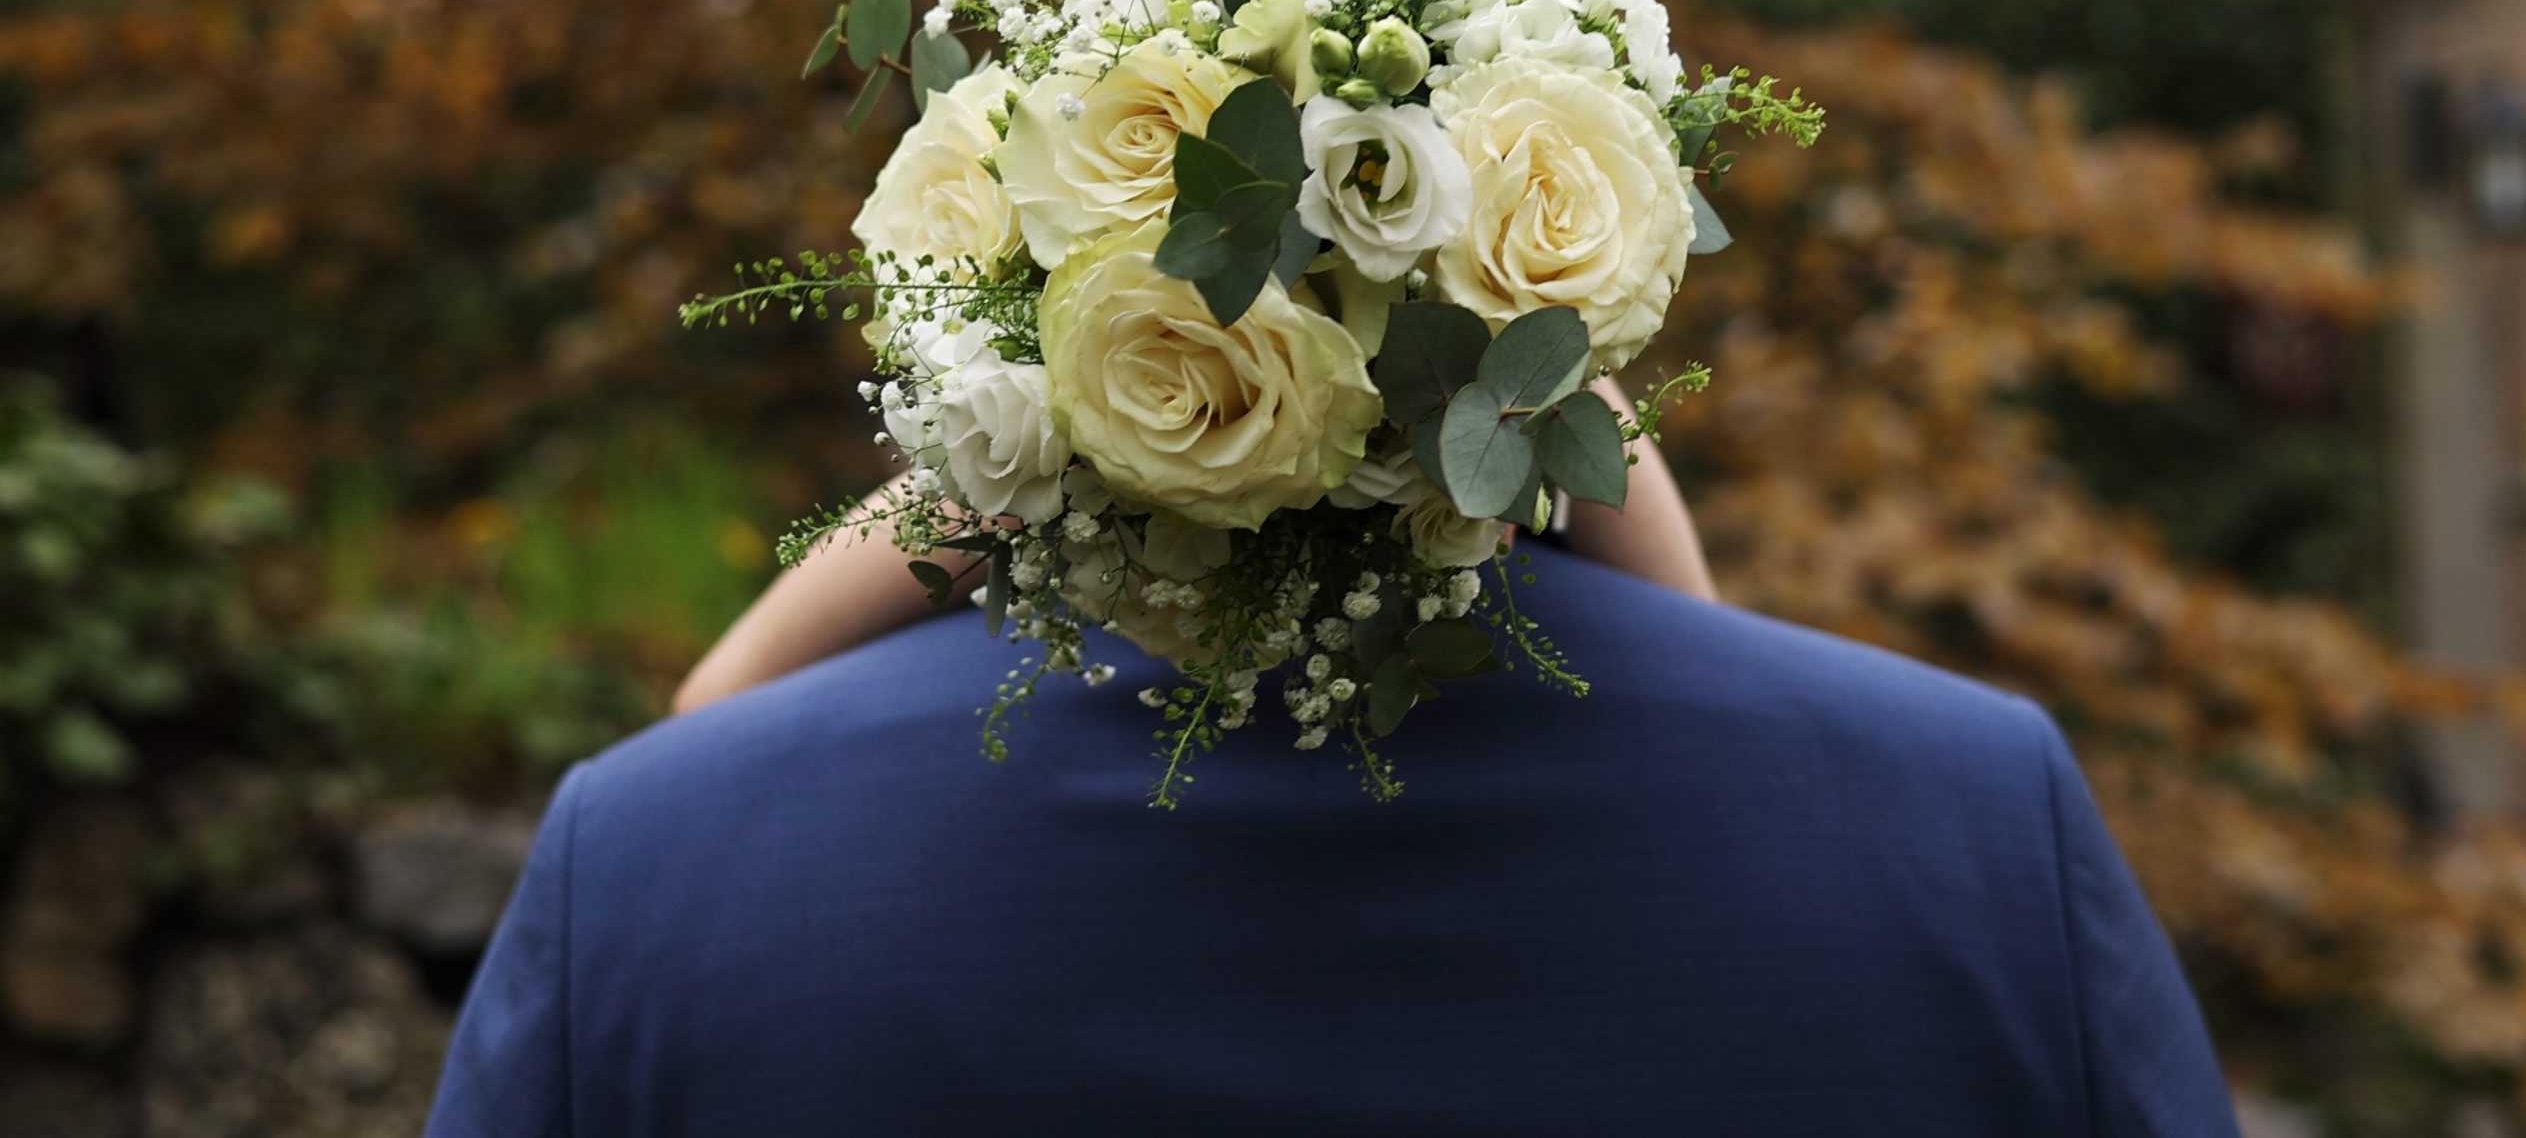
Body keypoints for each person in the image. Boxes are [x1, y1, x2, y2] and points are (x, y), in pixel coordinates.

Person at [426, 381, 2239, 1136]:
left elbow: (688, 808)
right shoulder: (1971, 814)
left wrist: (830, 605)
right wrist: (1671, 582)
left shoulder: (662, 864)